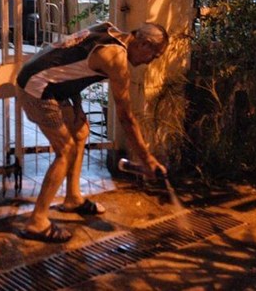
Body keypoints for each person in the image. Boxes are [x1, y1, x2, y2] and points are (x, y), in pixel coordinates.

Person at [15, 21, 169, 243]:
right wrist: (146, 159)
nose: (151, 61)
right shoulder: (116, 59)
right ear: (144, 44)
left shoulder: (108, 29)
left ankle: (73, 198)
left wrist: (77, 107)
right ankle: (37, 222)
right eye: (154, 55)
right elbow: (126, 117)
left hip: (49, 83)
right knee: (65, 151)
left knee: (80, 132)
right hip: (36, 87)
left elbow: (70, 63)